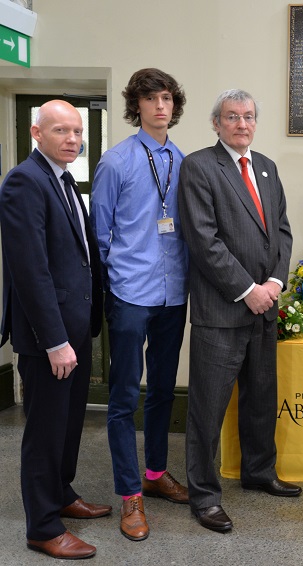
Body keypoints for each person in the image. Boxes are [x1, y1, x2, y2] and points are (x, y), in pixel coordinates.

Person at [177, 89, 298, 534]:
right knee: (207, 410)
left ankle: (259, 471)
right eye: (232, 117)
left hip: (264, 307)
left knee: (261, 399)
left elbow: (282, 231)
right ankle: (204, 496)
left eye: (248, 117)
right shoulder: (199, 167)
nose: (242, 124)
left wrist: (274, 283)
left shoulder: (265, 167)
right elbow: (204, 241)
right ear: (216, 123)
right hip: (221, 311)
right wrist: (247, 288)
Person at [0, 100, 109, 559]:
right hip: (52, 338)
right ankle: (43, 527)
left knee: (67, 424)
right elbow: (30, 271)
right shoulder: (24, 181)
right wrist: (55, 340)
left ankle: (62, 495)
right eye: (61, 130)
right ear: (35, 132)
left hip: (75, 328)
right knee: (45, 429)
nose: (72, 139)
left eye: (77, 131)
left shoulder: (63, 179)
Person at [90, 68, 190, 542]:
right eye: (149, 98)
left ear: (174, 105)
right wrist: (116, 280)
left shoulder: (184, 161)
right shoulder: (116, 161)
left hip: (174, 293)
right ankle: (129, 494)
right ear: (137, 106)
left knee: (164, 391)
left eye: (166, 97)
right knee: (125, 395)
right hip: (130, 292)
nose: (159, 106)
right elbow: (98, 235)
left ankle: (154, 474)